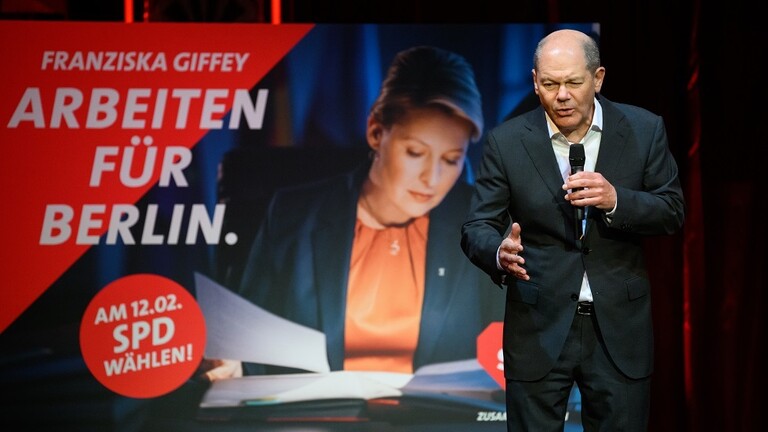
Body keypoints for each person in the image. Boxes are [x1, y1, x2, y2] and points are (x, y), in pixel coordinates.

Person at [201, 45, 504, 380]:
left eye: (451, 159)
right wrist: (234, 363)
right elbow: (250, 343)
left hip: (439, 412)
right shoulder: (293, 215)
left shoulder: (482, 223)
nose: (431, 178)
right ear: (375, 132)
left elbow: (512, 339)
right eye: (415, 153)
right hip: (319, 410)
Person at [460, 29, 685, 431]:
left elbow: (671, 210)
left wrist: (615, 200)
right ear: (535, 83)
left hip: (619, 328)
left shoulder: (643, 128)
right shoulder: (506, 142)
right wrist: (498, 251)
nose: (561, 95)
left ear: (598, 78)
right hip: (538, 326)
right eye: (550, 84)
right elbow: (478, 224)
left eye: (573, 83)